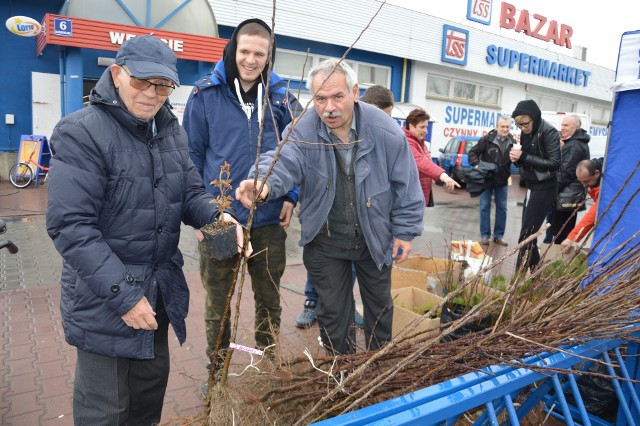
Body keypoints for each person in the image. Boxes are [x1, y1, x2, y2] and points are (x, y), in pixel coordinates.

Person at [45, 35, 247, 425]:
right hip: (107, 301)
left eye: (163, 86)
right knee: (105, 412)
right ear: (116, 74)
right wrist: (124, 296)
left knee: (145, 407)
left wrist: (216, 218)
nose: (152, 95)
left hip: (156, 297)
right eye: (142, 82)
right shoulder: (81, 132)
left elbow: (189, 191)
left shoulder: (170, 130)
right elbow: (71, 227)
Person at [236, 58, 425, 355]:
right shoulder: (304, 129)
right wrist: (263, 182)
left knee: (379, 311)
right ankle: (342, 376)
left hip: (374, 239)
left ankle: (379, 369)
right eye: (320, 99)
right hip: (325, 240)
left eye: (338, 96)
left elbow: (406, 182)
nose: (329, 108)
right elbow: (284, 158)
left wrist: (405, 231)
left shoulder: (385, 129)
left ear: (355, 92)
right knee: (334, 316)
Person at [183, 19, 299, 372]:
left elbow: (294, 150)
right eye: (244, 51)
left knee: (269, 298)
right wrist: (200, 215)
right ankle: (216, 373)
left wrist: (291, 195)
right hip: (219, 219)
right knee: (218, 302)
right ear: (233, 49)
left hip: (267, 219)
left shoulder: (282, 98)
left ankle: (267, 363)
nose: (250, 60)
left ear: (269, 56)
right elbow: (190, 158)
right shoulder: (205, 94)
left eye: (259, 53)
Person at [295, 83, 396, 329]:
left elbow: (398, 181)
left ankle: (348, 310)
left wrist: (401, 227)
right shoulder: (319, 128)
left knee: (356, 282)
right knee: (326, 274)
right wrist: (290, 196)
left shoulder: (386, 135)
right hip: (329, 228)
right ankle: (312, 303)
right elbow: (296, 164)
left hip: (367, 230)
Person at [509, 100, 561, 271]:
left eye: (525, 124)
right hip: (530, 185)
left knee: (525, 236)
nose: (523, 128)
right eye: (519, 125)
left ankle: (517, 281)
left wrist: (523, 157)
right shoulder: (526, 133)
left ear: (534, 118)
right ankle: (535, 276)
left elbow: (554, 163)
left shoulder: (549, 132)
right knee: (528, 235)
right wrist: (517, 160)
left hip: (545, 187)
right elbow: (528, 159)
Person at [468, 116, 515, 246]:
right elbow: (472, 153)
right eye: (502, 126)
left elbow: (517, 159)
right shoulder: (486, 140)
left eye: (507, 127)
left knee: (502, 208)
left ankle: (499, 236)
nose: (505, 129)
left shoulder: (513, 142)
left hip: (502, 180)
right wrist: (477, 165)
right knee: (484, 207)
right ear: (497, 127)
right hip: (486, 179)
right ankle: (485, 235)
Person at [544, 115, 590, 244]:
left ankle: (550, 260)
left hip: (564, 196)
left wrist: (550, 191)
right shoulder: (576, 143)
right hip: (570, 196)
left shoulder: (574, 145)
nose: (562, 128)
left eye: (566, 125)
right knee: (563, 230)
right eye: (562, 125)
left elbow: (565, 173)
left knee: (557, 233)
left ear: (577, 127)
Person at [403, 108, 459, 207]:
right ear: (411, 126)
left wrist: (435, 177)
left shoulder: (420, 142)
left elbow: (428, 164)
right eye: (422, 127)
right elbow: (421, 162)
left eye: (426, 127)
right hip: (410, 200)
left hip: (418, 198)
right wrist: (443, 176)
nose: (426, 131)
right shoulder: (408, 142)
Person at [561, 158, 603, 248]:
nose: (584, 185)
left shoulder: (608, 184)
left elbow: (596, 211)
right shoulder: (598, 177)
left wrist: (572, 238)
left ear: (597, 173)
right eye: (581, 182)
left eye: (586, 181)